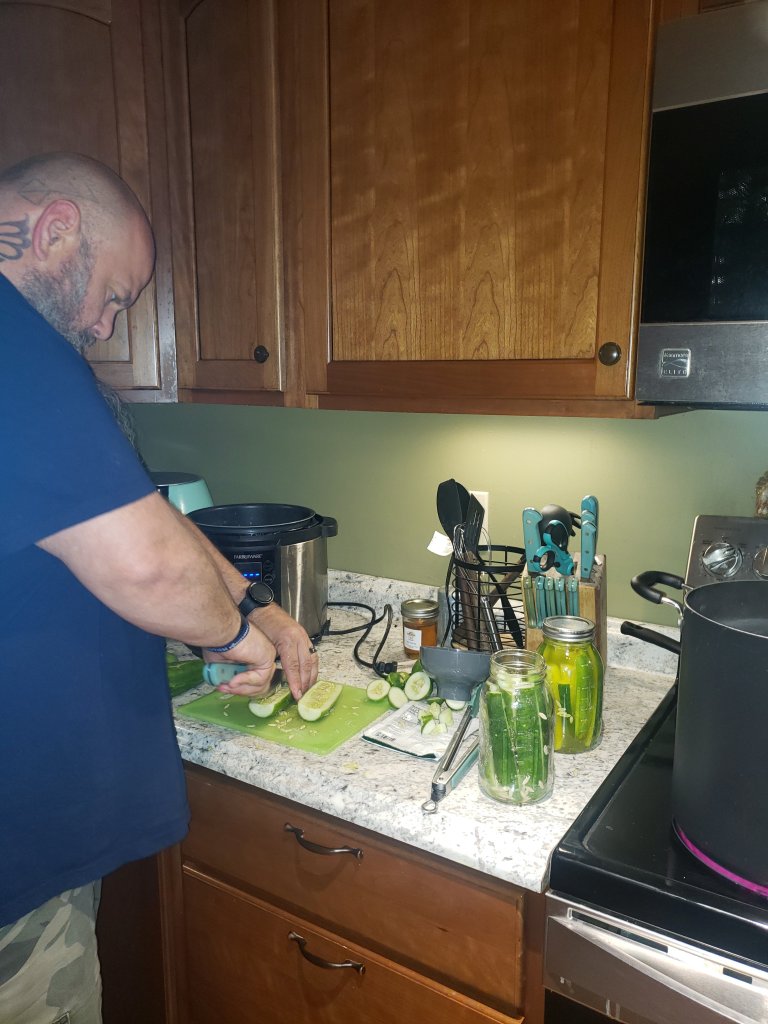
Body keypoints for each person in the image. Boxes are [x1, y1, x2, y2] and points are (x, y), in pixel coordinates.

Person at [0, 152, 318, 1023]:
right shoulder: (16, 345)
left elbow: (138, 515)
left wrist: (255, 603)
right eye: (113, 295)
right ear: (55, 229)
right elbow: (146, 563)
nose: (105, 326)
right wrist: (237, 640)